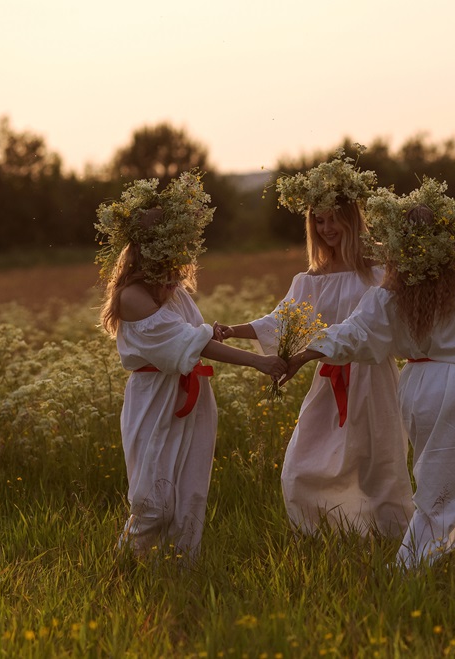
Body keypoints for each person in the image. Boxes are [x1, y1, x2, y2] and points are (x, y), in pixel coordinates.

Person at [283, 179, 455, 569]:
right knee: (449, 470)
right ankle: (417, 560)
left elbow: (354, 334)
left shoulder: (391, 291)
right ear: (451, 238)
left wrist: (307, 353)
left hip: (416, 385)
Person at [214, 147, 414, 537]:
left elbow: (384, 323)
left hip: (373, 377)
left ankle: (395, 538)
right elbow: (285, 320)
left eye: (333, 219)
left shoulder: (378, 268)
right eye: (318, 221)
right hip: (327, 378)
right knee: (305, 463)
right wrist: (232, 330)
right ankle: (330, 535)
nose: (326, 228)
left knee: (380, 464)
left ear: (352, 218)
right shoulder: (311, 278)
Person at [96, 171, 287, 560]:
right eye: (159, 245)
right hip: (154, 399)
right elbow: (186, 342)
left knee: (189, 494)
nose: (169, 255)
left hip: (189, 395)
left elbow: (191, 337)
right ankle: (125, 568)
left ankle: (179, 572)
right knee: (153, 500)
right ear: (141, 248)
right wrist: (258, 362)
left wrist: (210, 334)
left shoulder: (174, 288)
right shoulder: (131, 295)